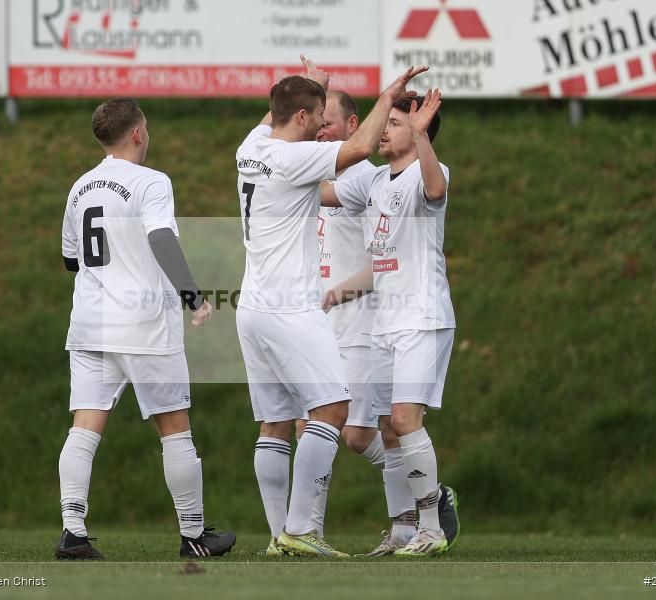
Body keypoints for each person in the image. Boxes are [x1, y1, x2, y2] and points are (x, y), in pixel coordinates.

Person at [236, 55, 427, 557]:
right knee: (332, 409)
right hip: (293, 307)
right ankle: (301, 529)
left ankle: (282, 535)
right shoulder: (295, 159)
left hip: (252, 306)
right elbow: (363, 145)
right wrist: (390, 94)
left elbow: (276, 115)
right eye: (317, 117)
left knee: (276, 421)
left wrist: (312, 85)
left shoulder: (250, 147)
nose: (322, 127)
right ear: (302, 118)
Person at [56, 97, 235, 560]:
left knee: (84, 428)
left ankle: (72, 532)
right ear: (137, 133)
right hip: (143, 325)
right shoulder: (152, 182)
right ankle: (194, 536)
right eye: (147, 128)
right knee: (174, 428)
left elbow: (71, 260)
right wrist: (192, 295)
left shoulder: (79, 188)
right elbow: (160, 237)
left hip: (90, 324)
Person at [295, 90, 460, 553]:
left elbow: (436, 190)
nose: (383, 130)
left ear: (419, 131)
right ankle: (405, 529)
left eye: (394, 124)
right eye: (383, 123)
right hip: (386, 321)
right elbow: (320, 193)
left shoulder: (428, 173)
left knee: (406, 420)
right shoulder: (373, 182)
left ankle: (432, 527)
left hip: (421, 316)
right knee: (387, 429)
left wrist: (424, 138)